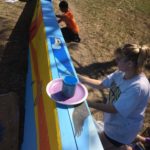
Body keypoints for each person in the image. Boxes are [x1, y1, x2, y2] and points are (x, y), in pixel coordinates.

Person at [78, 44, 150, 150]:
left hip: (120, 130)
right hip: (120, 123)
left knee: (95, 146)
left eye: (119, 59)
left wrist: (87, 103)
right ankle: (143, 141)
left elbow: (114, 109)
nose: (115, 60)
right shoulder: (121, 73)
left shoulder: (137, 87)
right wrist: (80, 78)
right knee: (120, 142)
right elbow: (101, 84)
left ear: (129, 64)